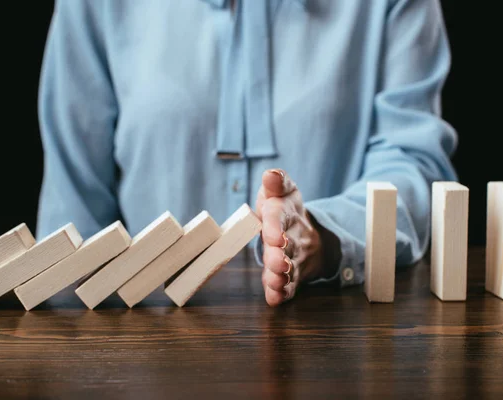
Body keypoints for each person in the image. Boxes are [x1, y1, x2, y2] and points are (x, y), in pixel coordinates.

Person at [35, 0, 458, 307]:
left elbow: (413, 164)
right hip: (142, 356)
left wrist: (325, 237)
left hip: (331, 351)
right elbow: (72, 209)